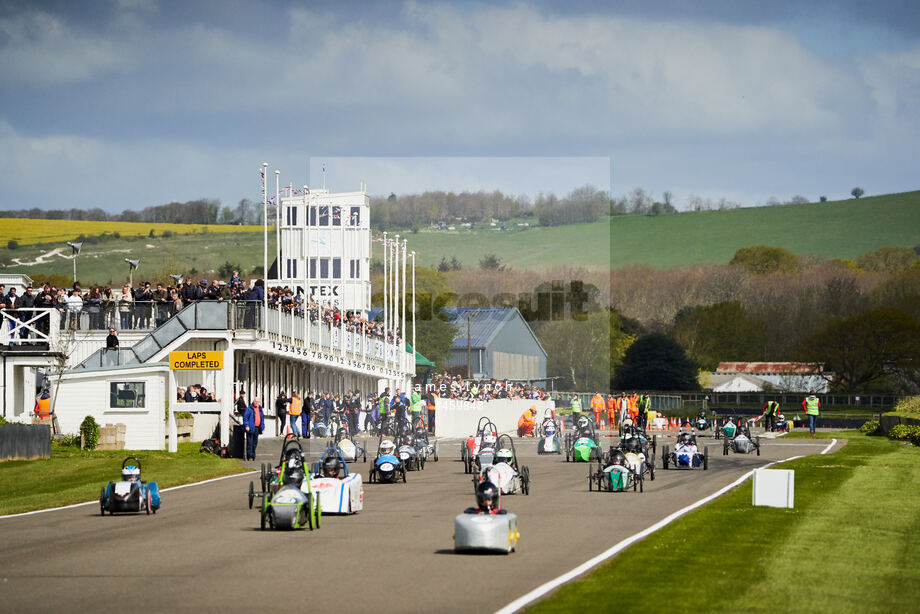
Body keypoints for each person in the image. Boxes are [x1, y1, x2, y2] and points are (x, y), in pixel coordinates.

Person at [243, 397, 265, 461]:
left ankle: (253, 456)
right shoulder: (249, 409)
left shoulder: (260, 409)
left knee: (255, 443)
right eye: (255, 401)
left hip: (257, 428)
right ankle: (250, 457)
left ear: (259, 402)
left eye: (257, 401)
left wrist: (263, 428)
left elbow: (262, 419)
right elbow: (245, 418)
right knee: (250, 443)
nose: (256, 402)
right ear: (253, 401)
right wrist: (246, 426)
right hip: (250, 428)